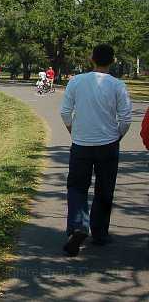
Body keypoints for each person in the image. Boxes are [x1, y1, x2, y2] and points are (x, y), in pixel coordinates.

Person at [60, 44, 132, 256]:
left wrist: (73, 131)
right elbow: (126, 118)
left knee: (76, 186)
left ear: (91, 59)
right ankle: (100, 233)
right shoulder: (118, 85)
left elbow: (65, 112)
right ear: (112, 61)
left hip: (81, 143)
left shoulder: (76, 81)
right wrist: (117, 135)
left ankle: (77, 226)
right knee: (104, 188)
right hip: (108, 144)